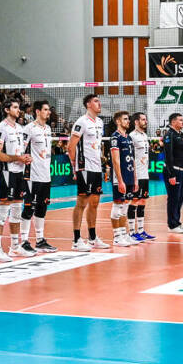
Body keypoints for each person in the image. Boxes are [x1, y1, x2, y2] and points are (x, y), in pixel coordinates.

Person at [0, 98, 30, 261]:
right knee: (2, 212)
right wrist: (17, 158)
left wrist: (25, 158)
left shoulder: (20, 128)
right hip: (7, 173)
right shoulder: (1, 128)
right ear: (7, 110)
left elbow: (19, 151)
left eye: (18, 107)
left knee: (16, 211)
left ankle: (14, 247)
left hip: (19, 173)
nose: (18, 110)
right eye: (14, 107)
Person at [67, 94, 106, 250]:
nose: (99, 103)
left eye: (99, 101)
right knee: (82, 202)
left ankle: (92, 238)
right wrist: (75, 167)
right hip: (84, 167)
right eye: (96, 101)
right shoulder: (81, 122)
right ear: (88, 104)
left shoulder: (100, 122)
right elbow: (71, 146)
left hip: (96, 167)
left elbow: (98, 144)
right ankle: (76, 240)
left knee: (94, 203)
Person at [17, 100, 57, 255]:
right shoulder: (29, 128)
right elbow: (21, 148)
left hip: (45, 175)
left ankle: (40, 240)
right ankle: (24, 241)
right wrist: (23, 159)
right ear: (38, 111)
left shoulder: (48, 128)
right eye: (45, 109)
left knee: (42, 207)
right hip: (32, 175)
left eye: (48, 109)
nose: (48, 112)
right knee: (29, 208)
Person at [108, 111, 136, 245]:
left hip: (130, 176)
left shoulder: (129, 137)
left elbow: (133, 159)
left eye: (128, 119)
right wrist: (120, 180)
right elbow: (115, 160)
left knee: (125, 206)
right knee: (118, 205)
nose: (128, 121)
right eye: (125, 119)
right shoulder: (115, 137)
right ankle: (117, 237)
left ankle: (124, 234)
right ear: (118, 121)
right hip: (120, 177)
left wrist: (135, 179)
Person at [163, 113, 183, 233]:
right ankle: (172, 225)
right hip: (174, 170)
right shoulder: (169, 135)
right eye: (180, 120)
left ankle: (177, 222)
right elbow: (168, 156)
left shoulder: (181, 134)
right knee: (173, 198)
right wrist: (171, 174)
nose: (182, 122)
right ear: (173, 122)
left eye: (182, 120)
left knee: (180, 198)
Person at [129, 111, 154, 241]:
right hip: (136, 174)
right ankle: (131, 232)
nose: (146, 121)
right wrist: (133, 177)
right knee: (134, 201)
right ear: (136, 122)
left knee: (143, 200)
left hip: (145, 174)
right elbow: (130, 157)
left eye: (146, 119)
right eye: (143, 119)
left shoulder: (144, 135)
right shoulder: (131, 136)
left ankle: (141, 230)